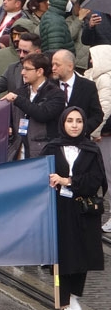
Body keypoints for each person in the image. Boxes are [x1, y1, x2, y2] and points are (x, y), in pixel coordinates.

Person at [43, 107, 106, 310]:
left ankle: (72, 296)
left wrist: (68, 180)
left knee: (81, 254)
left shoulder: (91, 149)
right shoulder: (52, 147)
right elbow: (39, 173)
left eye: (79, 121)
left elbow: (96, 180)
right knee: (61, 255)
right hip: (59, 209)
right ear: (63, 123)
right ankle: (62, 301)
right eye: (70, 121)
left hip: (82, 209)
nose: (74, 125)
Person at [2, 52, 66, 159]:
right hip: (18, 152)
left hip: (43, 153)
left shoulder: (56, 94)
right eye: (23, 68)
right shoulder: (19, 92)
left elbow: (42, 114)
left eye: (27, 69)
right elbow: (11, 116)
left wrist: (18, 99)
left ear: (39, 71)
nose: (22, 72)